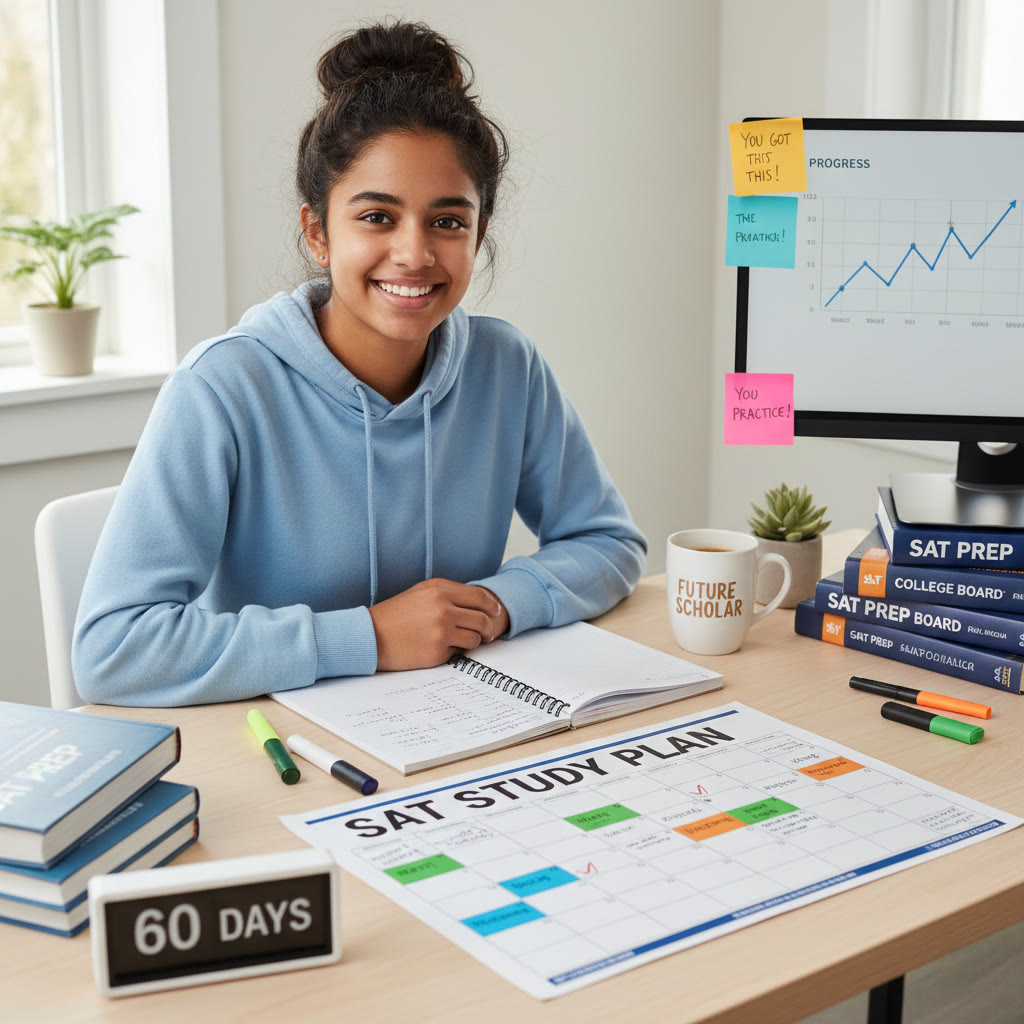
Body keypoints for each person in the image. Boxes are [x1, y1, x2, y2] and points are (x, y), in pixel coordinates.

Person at [72, 20, 646, 707]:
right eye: (377, 216)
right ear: (317, 231)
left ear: (478, 233)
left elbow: (609, 541)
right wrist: (369, 637)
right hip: (287, 751)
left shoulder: (506, 367)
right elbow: (113, 648)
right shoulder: (223, 389)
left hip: (466, 731)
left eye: (448, 220)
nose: (414, 253)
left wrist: (499, 603)